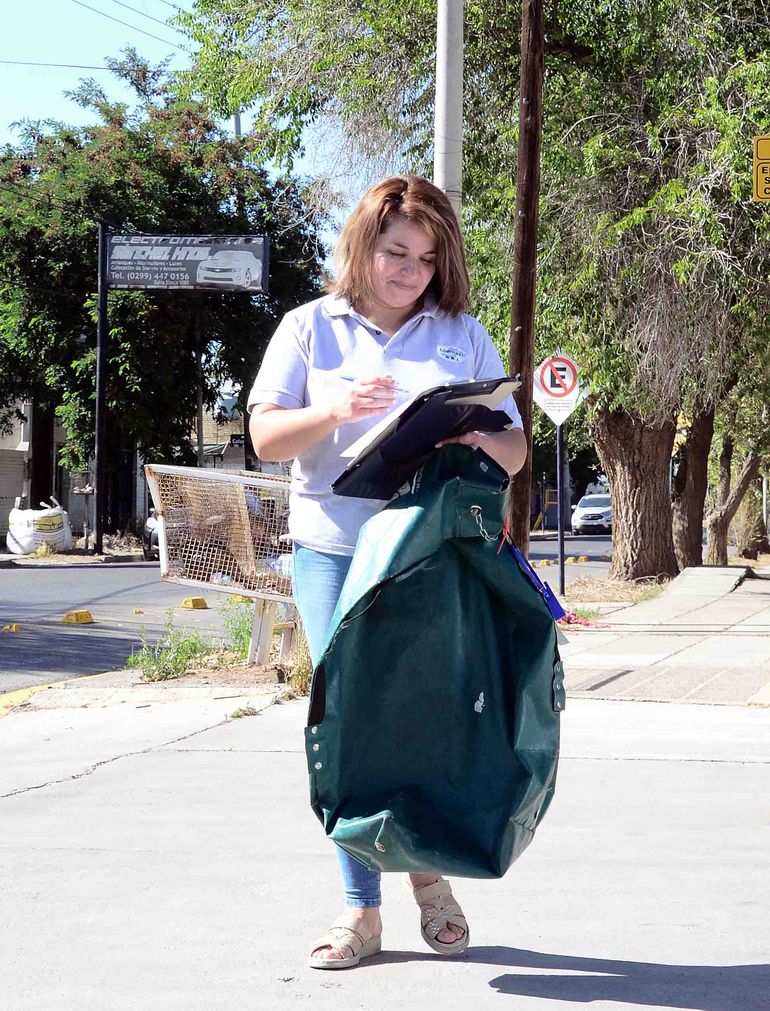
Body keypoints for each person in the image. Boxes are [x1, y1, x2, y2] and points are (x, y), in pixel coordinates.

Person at [247, 174, 527, 969]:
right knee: (348, 730)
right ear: (363, 245)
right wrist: (337, 411)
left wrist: (470, 433)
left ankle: (429, 879)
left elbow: (514, 450)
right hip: (334, 554)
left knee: (420, 723)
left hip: (427, 557)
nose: (410, 270)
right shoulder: (311, 328)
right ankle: (360, 913)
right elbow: (266, 438)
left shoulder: (461, 333)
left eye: (427, 258)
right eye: (395, 250)